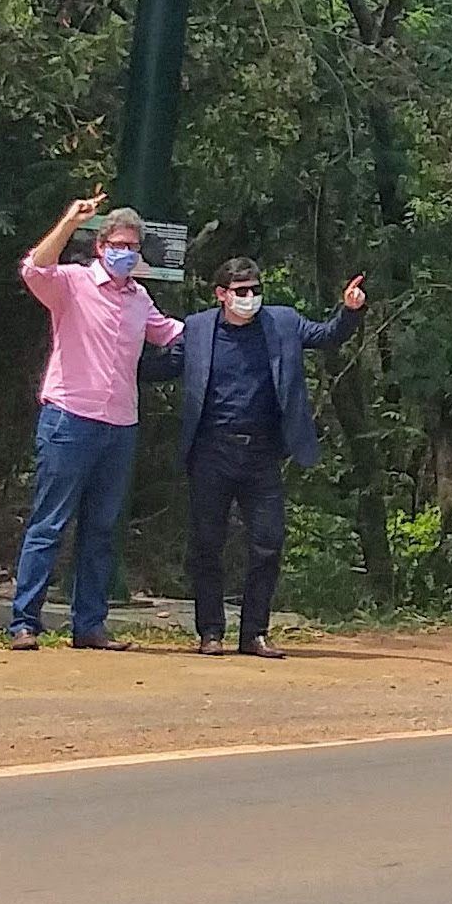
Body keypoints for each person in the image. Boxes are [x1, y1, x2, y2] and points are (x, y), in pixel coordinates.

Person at [147, 258, 366, 659]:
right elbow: (165, 366)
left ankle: (254, 634)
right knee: (207, 544)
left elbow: (327, 335)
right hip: (211, 450)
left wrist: (350, 311)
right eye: (241, 291)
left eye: (255, 290)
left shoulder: (281, 322)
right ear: (221, 294)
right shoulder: (197, 329)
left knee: (268, 543)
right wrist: (116, 359)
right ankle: (210, 632)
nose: (250, 298)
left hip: (263, 452)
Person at [10, 196, 185, 651]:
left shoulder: (139, 299)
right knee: (50, 524)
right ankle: (24, 623)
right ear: (101, 245)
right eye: (117, 243)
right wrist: (70, 220)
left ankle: (89, 625)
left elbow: (171, 333)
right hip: (69, 420)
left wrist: (230, 326)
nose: (124, 251)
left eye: (132, 245)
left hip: (120, 427)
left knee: (102, 529)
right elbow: (33, 269)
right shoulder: (71, 283)